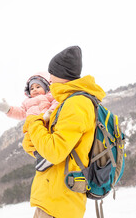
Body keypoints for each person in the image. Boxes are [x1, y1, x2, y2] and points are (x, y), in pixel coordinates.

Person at [22, 46, 106, 218]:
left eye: (52, 73)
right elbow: (42, 149)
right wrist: (34, 141)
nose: (50, 79)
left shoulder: (76, 104)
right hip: (54, 197)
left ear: (62, 75)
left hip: (59, 201)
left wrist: (34, 121)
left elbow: (54, 151)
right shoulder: (67, 103)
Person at [0, 72, 57, 171]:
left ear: (46, 87)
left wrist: (50, 112)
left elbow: (56, 102)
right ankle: (42, 157)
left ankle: (49, 153)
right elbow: (21, 113)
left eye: (38, 86)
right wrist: (8, 109)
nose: (34, 90)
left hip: (43, 121)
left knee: (44, 139)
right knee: (26, 144)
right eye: (32, 88)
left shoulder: (49, 96)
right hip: (31, 127)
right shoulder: (26, 102)